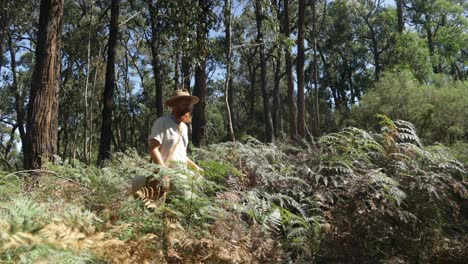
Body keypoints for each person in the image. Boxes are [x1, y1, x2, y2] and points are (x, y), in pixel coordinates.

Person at [134, 89, 203, 194]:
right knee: (186, 203)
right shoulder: (162, 122)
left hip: (182, 174)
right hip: (168, 174)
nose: (188, 107)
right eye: (184, 103)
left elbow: (180, 154)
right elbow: (153, 148)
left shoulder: (184, 127)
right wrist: (163, 174)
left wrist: (195, 167)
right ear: (174, 105)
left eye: (189, 104)